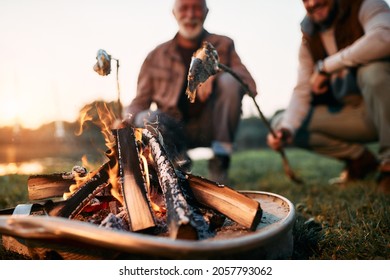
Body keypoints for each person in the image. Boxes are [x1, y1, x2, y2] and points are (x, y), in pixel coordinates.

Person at [124, 0, 257, 183]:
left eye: (196, 8)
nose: (190, 14)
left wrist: (214, 74)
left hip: (211, 125)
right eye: (184, 8)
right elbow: (140, 102)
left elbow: (249, 84)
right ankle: (175, 164)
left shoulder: (224, 44)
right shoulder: (156, 55)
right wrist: (125, 118)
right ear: (174, 13)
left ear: (206, 12)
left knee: (230, 82)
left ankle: (220, 161)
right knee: (143, 117)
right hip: (172, 128)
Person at [267, 0, 390, 193]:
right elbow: (302, 89)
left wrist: (326, 67)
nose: (313, 3)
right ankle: (360, 159)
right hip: (355, 116)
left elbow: (385, 37)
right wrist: (286, 130)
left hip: (383, 105)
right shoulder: (309, 37)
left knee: (373, 72)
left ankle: (389, 164)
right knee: (281, 123)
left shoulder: (366, 5)